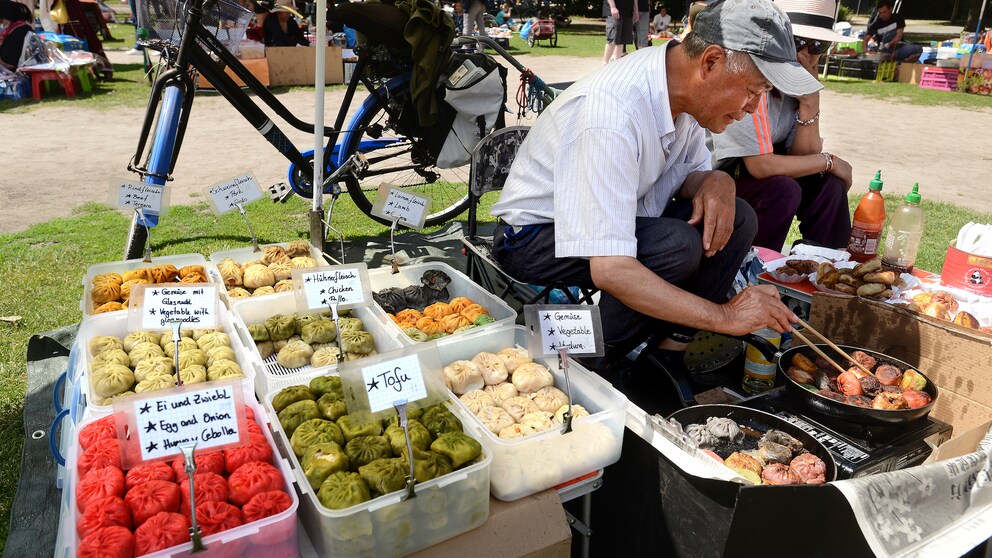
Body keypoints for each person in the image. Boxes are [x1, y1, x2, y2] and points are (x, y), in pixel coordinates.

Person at [491, 0, 816, 368]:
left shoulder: (686, 92)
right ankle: (589, 363)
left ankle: (666, 356)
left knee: (737, 216)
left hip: (620, 215)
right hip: (533, 236)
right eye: (753, 91)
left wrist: (716, 179)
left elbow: (688, 176)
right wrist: (727, 316)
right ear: (710, 62)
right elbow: (611, 268)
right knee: (674, 247)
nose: (754, 108)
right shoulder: (613, 113)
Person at [710, 0, 853, 252]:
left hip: (754, 177)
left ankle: (828, 267)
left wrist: (810, 102)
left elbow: (805, 159)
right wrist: (829, 160)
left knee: (829, 186)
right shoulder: (752, 71)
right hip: (716, 179)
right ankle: (752, 269)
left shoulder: (796, 80)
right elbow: (760, 166)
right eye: (797, 42)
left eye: (818, 45)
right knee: (782, 189)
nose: (805, 54)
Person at [0, 0, 31, 71]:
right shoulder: (23, 28)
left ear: (8, 18)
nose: (1, 23)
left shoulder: (15, 35)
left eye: (1, 20)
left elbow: (10, 65)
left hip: (15, 75)